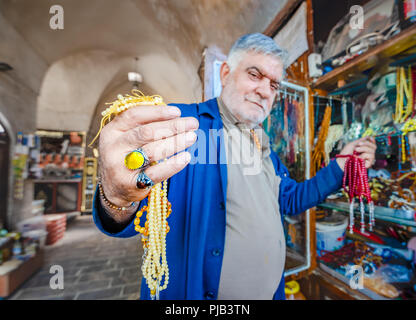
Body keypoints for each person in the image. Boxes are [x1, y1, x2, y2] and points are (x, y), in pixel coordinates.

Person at [92, 33, 377, 300]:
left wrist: (342, 165)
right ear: (226, 73)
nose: (265, 90)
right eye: (255, 74)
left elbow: (290, 200)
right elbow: (131, 212)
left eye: (274, 84)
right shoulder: (185, 127)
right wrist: (117, 197)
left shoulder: (264, 148)